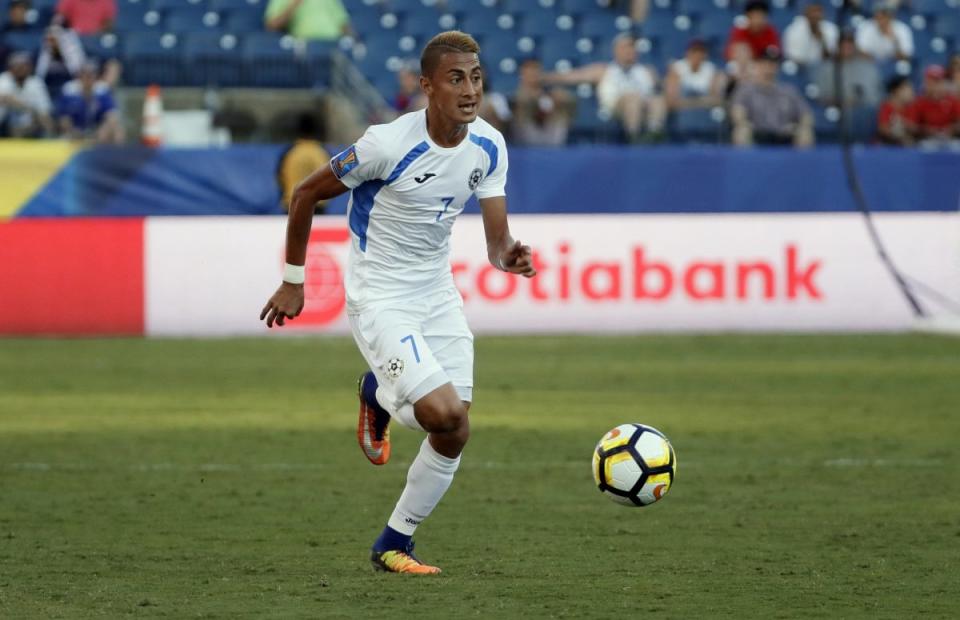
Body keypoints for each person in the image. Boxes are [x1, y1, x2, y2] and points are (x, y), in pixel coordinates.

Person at [259, 31, 536, 574]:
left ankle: (393, 543)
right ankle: (381, 394)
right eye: (456, 78)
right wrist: (294, 281)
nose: (470, 90)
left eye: (476, 78)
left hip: (436, 293)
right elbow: (305, 195)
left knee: (454, 428)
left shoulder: (490, 146)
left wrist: (511, 256)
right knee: (444, 412)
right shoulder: (385, 144)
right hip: (380, 296)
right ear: (426, 86)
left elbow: (496, 242)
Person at [730, 47, 813, 147]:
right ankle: (745, 162)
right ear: (758, 65)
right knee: (741, 131)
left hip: (785, 134)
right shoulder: (746, 90)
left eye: (773, 64)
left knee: (804, 132)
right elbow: (737, 112)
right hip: (757, 133)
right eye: (765, 63)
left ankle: (802, 162)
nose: (769, 68)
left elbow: (806, 114)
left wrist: (802, 125)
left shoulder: (789, 91)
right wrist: (744, 123)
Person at [510, 57, 574, 146]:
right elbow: (523, 100)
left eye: (535, 71)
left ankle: (557, 149)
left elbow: (566, 99)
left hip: (552, 136)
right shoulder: (517, 94)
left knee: (562, 102)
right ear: (522, 75)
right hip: (526, 137)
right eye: (529, 72)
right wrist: (538, 99)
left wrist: (551, 98)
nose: (533, 75)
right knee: (524, 103)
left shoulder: (550, 92)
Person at [56, 60, 123, 144]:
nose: (88, 80)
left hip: (96, 133)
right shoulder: (69, 91)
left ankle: (116, 154)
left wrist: (103, 130)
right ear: (79, 77)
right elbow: (64, 120)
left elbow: (112, 117)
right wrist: (73, 131)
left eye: (91, 76)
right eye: (85, 76)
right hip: (73, 134)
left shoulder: (102, 91)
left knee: (117, 130)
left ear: (95, 77)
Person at [277, 112, 330, 213]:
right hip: (317, 205)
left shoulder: (290, 153)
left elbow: (280, 177)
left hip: (293, 203)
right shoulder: (322, 152)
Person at [814, 31, 882, 107]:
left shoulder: (867, 68)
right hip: (836, 110)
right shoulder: (827, 68)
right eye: (843, 44)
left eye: (850, 44)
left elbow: (876, 97)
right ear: (838, 46)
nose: (846, 48)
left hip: (862, 111)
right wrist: (840, 101)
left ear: (855, 46)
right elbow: (820, 96)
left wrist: (858, 100)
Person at [0, 52, 53, 137]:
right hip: (5, 121)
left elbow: (44, 109)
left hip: (29, 122)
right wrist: (27, 108)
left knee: (43, 116)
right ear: (10, 68)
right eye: (16, 66)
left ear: (30, 68)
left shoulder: (36, 83)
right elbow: (4, 98)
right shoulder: (4, 78)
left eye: (23, 66)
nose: (20, 69)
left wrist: (34, 115)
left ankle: (51, 139)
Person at [664, 39, 726, 110]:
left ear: (705, 54)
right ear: (688, 53)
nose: (697, 55)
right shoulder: (678, 68)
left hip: (704, 111)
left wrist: (692, 103)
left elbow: (716, 100)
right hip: (682, 110)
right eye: (694, 51)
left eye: (700, 52)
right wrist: (696, 103)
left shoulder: (710, 69)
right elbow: (671, 101)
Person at [36, 24, 86, 101]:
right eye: (50, 39)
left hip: (68, 84)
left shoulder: (71, 49)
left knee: (71, 88)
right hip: (49, 87)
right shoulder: (46, 52)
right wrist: (50, 51)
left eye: (54, 39)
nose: (52, 42)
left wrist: (60, 47)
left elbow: (76, 70)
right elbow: (40, 74)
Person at [913, 65, 960, 145]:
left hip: (950, 140)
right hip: (926, 141)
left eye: (938, 81)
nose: (934, 85)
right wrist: (926, 130)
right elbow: (911, 125)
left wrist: (952, 129)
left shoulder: (952, 100)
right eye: (931, 81)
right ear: (926, 82)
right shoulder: (919, 102)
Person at [783, 0, 838, 66]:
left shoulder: (831, 29)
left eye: (818, 11)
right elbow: (795, 58)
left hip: (822, 68)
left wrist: (822, 41)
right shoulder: (794, 30)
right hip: (800, 68)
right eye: (812, 11)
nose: (815, 15)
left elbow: (830, 58)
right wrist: (809, 34)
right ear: (805, 13)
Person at [264, 0, 351, 41]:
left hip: (335, 44)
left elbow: (343, 23)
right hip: (307, 44)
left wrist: (354, 41)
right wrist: (294, 5)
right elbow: (271, 26)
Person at [877, 76, 917, 146]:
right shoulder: (886, 107)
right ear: (897, 91)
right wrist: (898, 135)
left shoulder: (911, 108)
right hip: (889, 147)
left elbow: (913, 128)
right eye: (907, 88)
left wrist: (905, 125)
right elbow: (883, 130)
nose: (912, 92)